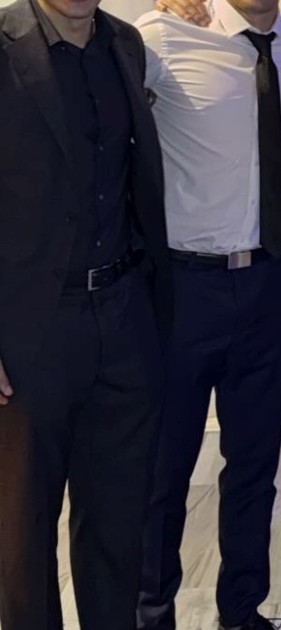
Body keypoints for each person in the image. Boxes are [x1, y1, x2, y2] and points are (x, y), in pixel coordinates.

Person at [133, 2, 281, 628]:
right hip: (184, 287)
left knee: (256, 465)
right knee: (163, 471)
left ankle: (242, 610)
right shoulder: (162, 36)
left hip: (269, 279)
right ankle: (150, 614)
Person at [0, 0, 171, 626]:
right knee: (21, 542)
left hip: (124, 318)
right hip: (28, 334)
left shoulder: (126, 44)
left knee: (117, 532)